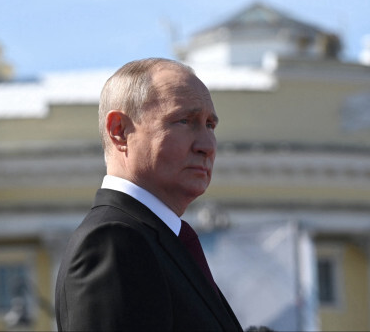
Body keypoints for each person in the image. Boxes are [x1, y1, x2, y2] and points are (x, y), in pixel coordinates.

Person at [55, 58, 243, 331]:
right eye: (184, 121)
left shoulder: (160, 241)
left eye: (210, 125)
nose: (206, 145)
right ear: (119, 131)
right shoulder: (113, 242)